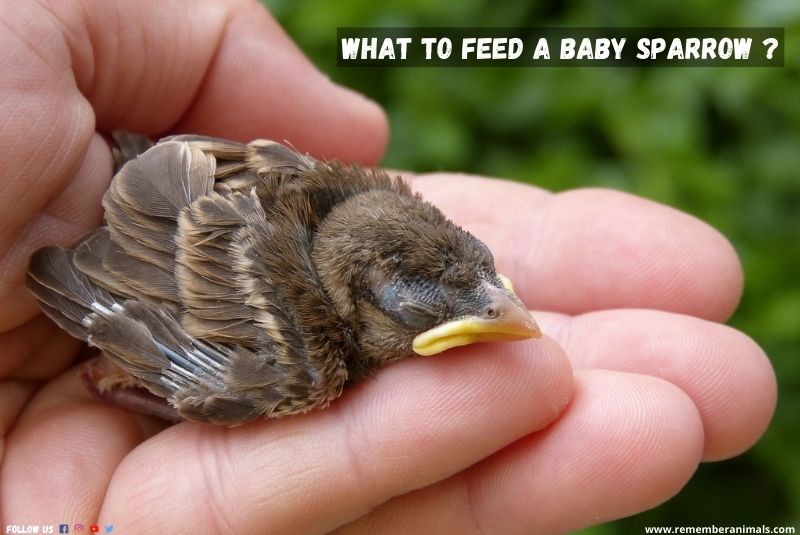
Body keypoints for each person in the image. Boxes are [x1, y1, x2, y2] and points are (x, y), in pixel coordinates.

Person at [0, 1, 776, 533]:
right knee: (253, 384)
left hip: (171, 184)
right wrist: (129, 357)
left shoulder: (367, 203)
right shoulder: (308, 357)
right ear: (361, 306)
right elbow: (184, 346)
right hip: (139, 238)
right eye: (412, 311)